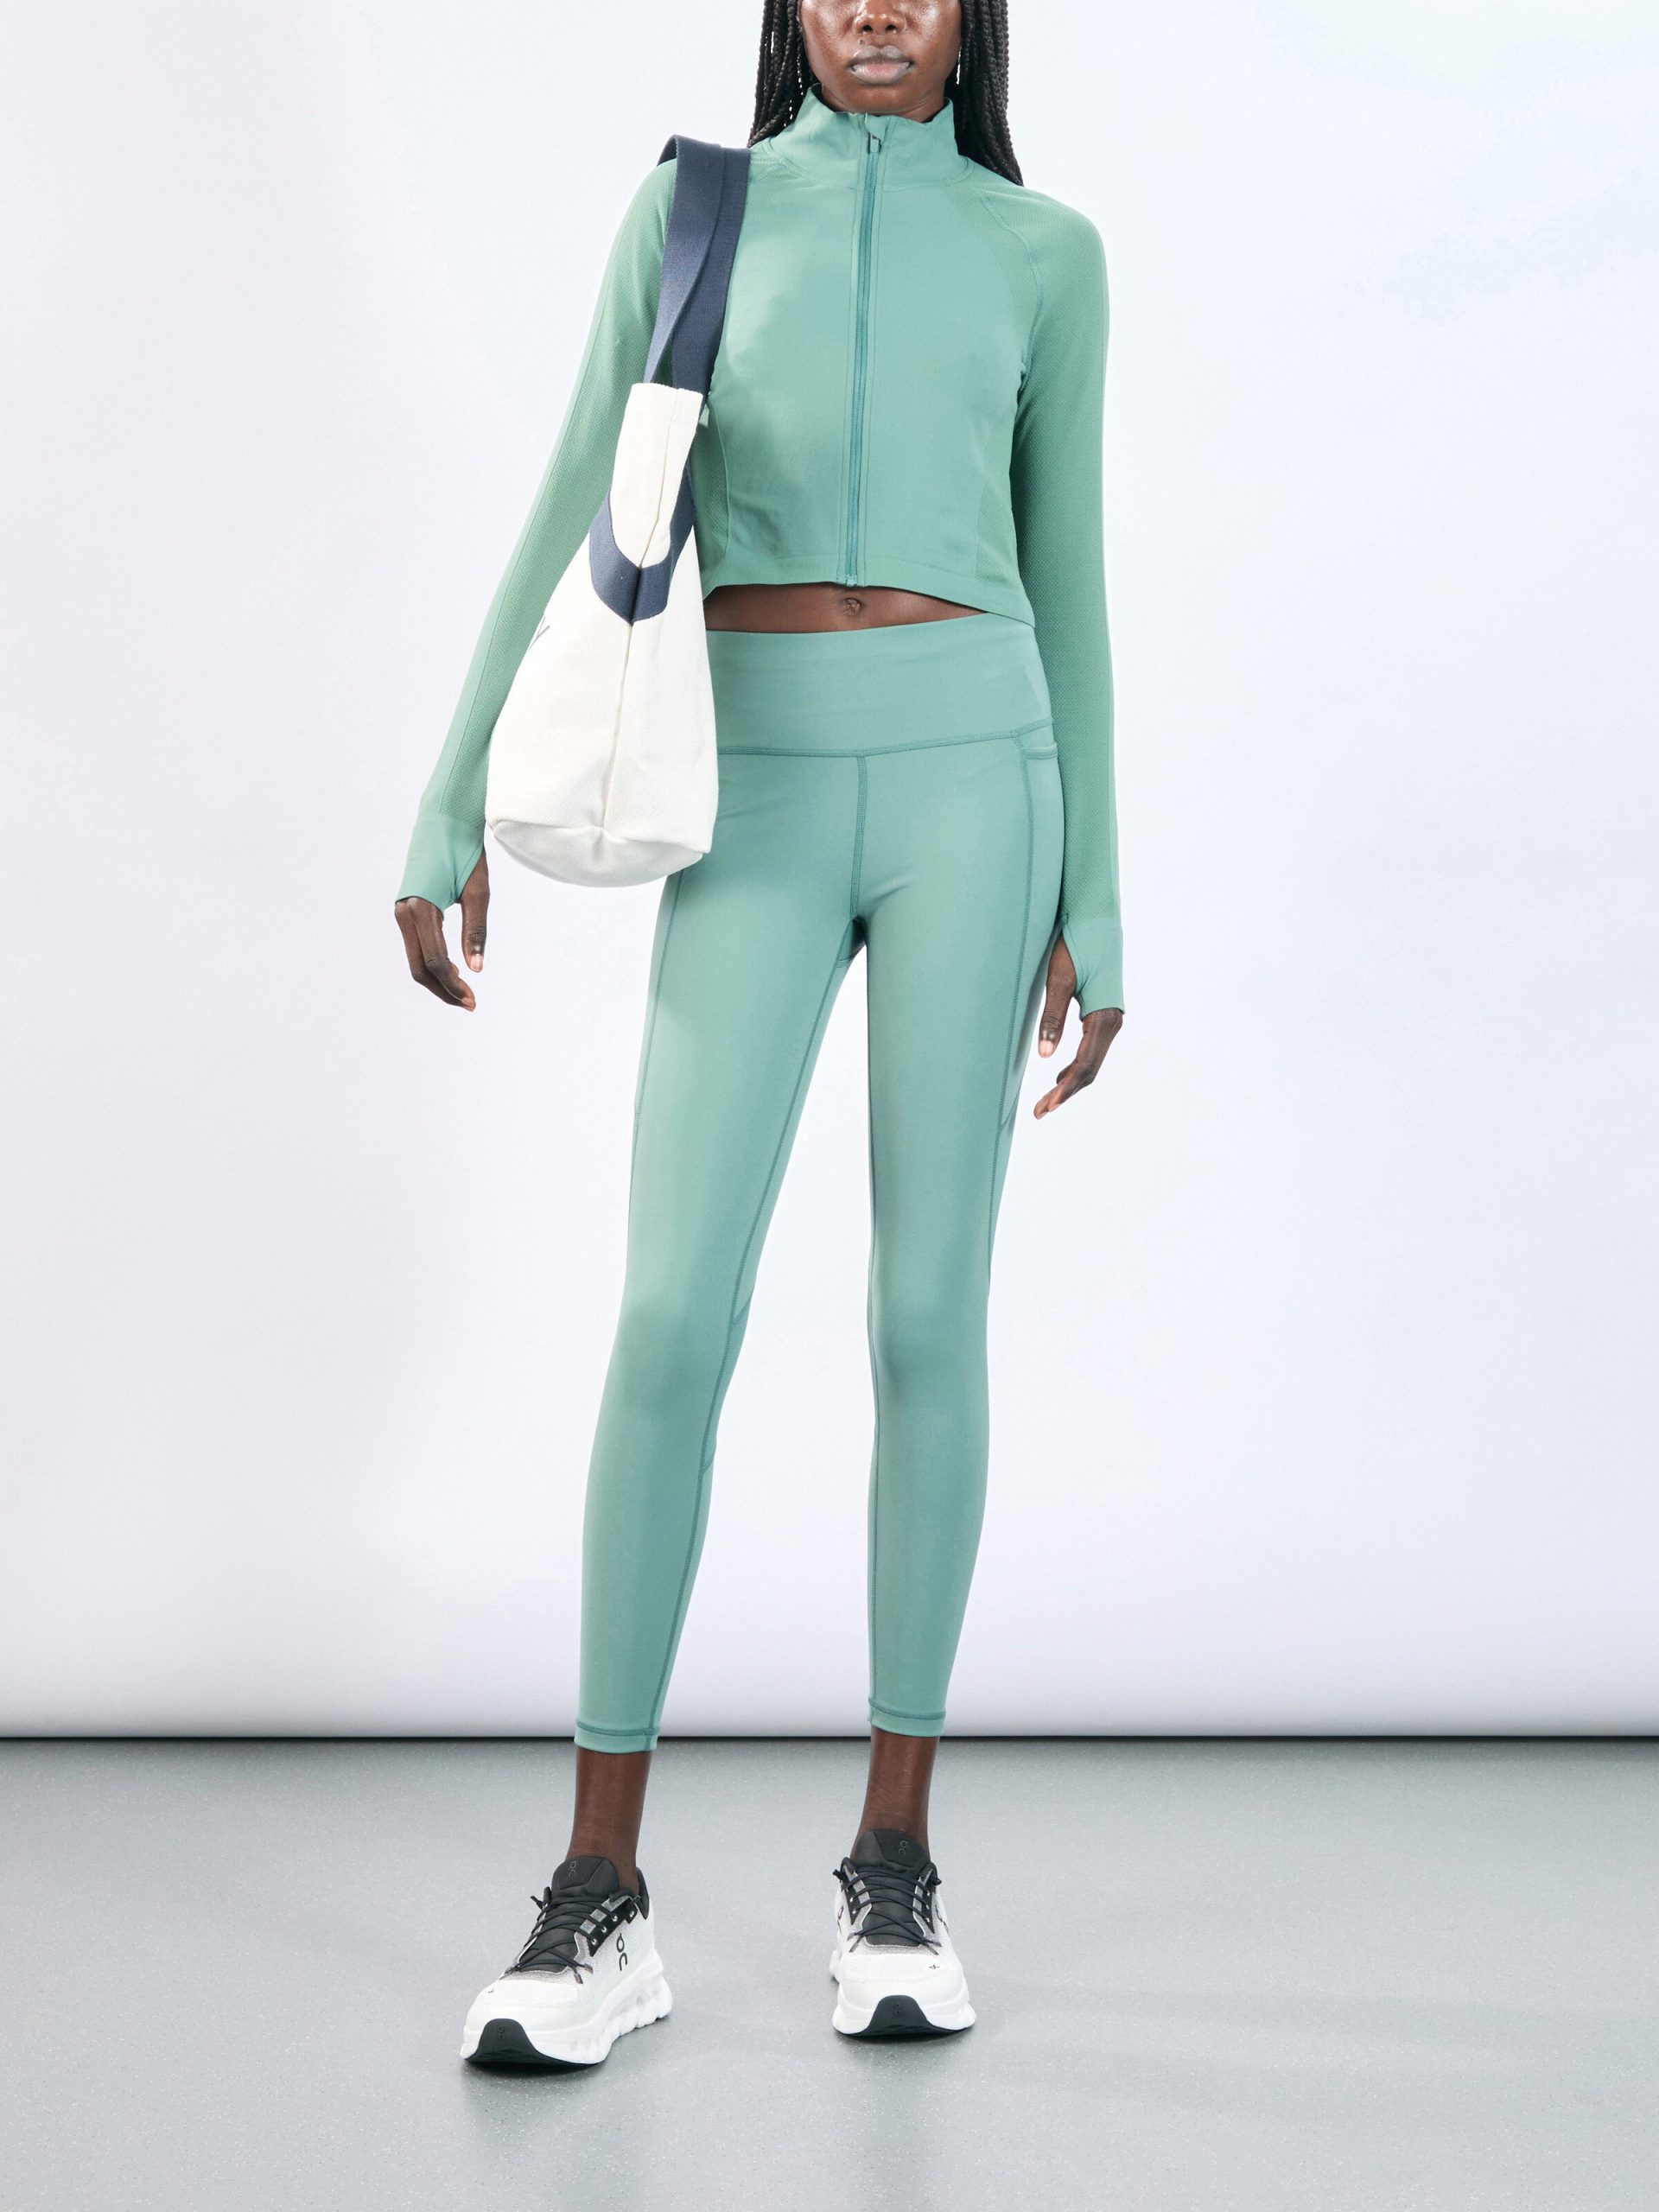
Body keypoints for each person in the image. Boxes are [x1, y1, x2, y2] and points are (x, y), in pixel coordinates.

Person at [394, 0, 1122, 2068]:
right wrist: (450, 802)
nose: (878, 9)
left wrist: (1100, 893)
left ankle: (894, 1865)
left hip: (983, 777)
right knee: (669, 1317)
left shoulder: (1048, 253)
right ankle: (597, 1893)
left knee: (926, 1314)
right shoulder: (696, 215)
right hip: (753, 783)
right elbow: (578, 497)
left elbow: (1071, 575)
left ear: (976, 12)